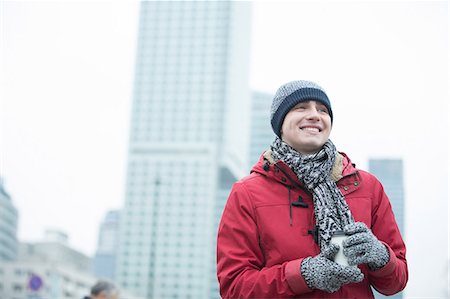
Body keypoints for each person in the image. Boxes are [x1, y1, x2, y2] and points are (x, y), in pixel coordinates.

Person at [216, 80, 408, 298]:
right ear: (280, 123)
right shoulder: (247, 193)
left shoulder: (368, 187)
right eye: (301, 107)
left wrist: (380, 256)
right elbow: (234, 288)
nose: (315, 115)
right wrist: (304, 274)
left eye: (323, 110)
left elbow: (396, 282)